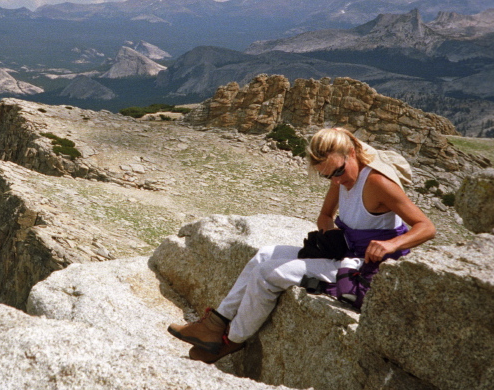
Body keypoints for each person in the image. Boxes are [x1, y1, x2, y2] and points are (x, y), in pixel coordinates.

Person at [167, 127, 436, 363]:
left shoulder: (377, 182)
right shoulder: (341, 177)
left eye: (339, 172)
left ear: (351, 152)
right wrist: (330, 236)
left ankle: (231, 341)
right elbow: (325, 216)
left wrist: (391, 245)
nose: (336, 181)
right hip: (343, 252)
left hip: (364, 265)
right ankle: (215, 324)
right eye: (328, 176)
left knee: (268, 274)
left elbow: (426, 227)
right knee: (265, 254)